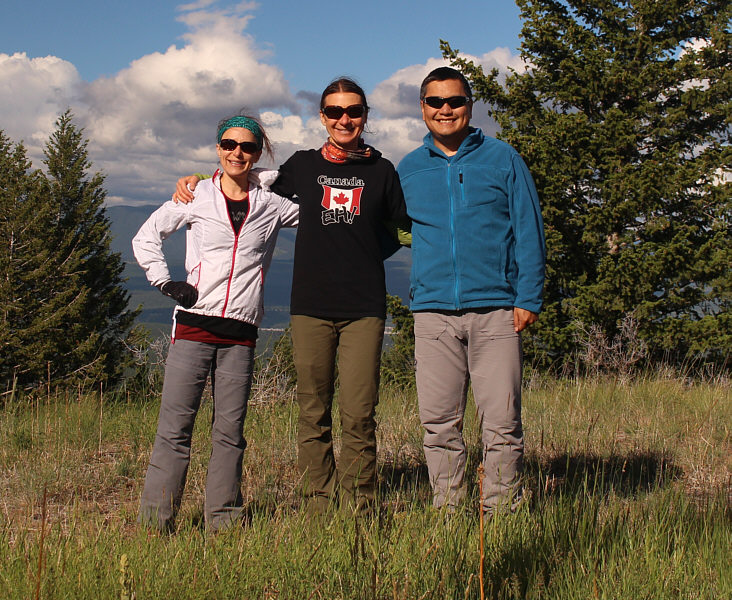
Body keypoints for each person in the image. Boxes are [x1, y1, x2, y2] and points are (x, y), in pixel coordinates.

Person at [176, 78, 407, 515]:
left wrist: (372, 251)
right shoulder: (301, 166)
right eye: (335, 111)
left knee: (359, 414)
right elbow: (247, 182)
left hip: (364, 307)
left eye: (353, 111)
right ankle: (319, 508)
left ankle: (361, 510)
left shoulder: (382, 171)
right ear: (322, 116)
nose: (344, 119)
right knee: (312, 412)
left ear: (365, 116)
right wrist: (198, 180)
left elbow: (402, 226)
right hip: (309, 307)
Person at [132, 115, 299, 532]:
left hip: (241, 333)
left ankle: (223, 523)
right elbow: (146, 237)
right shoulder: (196, 196)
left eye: (246, 147)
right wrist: (165, 282)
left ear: (258, 153)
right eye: (228, 144)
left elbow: (324, 219)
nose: (236, 153)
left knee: (230, 434)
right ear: (218, 148)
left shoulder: (272, 203)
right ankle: (156, 525)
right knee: (175, 430)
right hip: (193, 326)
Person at [397, 66, 546, 514]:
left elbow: (529, 229)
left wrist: (528, 297)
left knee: (501, 423)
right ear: (422, 108)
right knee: (439, 424)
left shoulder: (503, 159)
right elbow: (392, 229)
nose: (445, 110)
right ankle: (449, 513)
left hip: (497, 309)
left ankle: (500, 513)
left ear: (470, 105)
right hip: (433, 312)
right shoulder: (408, 168)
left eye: (454, 101)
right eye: (435, 102)